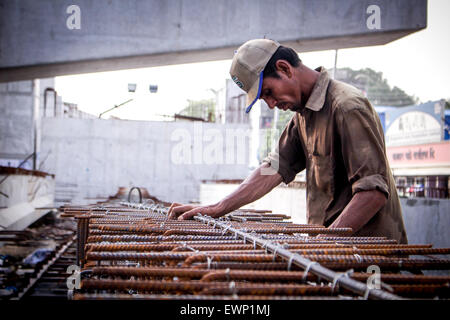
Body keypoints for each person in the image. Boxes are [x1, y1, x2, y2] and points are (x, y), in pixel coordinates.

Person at [168, 39, 408, 244]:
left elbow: (373, 193)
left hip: (370, 262)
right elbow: (271, 169)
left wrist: (322, 246)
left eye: (269, 93)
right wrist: (217, 208)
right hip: (334, 256)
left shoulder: (346, 107)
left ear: (284, 68)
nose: (271, 104)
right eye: (264, 99)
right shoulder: (303, 116)